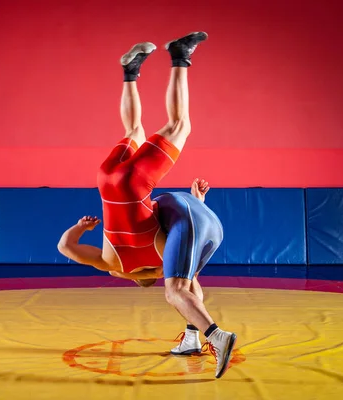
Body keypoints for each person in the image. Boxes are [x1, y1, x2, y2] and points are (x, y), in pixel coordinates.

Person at [57, 32, 237, 378]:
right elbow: (65, 246)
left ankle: (180, 56)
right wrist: (83, 227)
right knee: (134, 130)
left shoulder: (154, 258)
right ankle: (130, 72)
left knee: (180, 126)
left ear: (153, 274)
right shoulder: (109, 264)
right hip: (106, 182)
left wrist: (197, 203)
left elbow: (186, 280)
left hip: (133, 184)